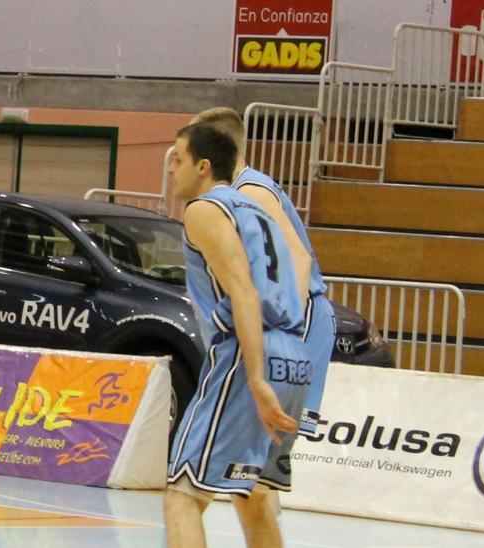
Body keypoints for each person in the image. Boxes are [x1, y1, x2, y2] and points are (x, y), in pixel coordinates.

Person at [164, 123, 311, 548]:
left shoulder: (204, 210)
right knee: (254, 496)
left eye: (179, 159)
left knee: (182, 496)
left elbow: (243, 289)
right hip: (293, 353)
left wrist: (256, 376)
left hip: (248, 353)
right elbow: (300, 259)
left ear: (204, 167)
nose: (172, 170)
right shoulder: (260, 210)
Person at [193, 108, 336, 491]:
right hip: (299, 321)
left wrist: (284, 332)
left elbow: (299, 258)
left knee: (232, 468)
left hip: (300, 319)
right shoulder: (239, 192)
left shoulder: (249, 191)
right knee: (256, 475)